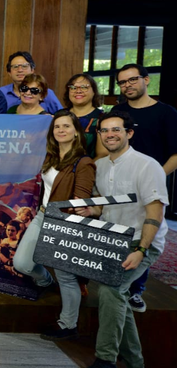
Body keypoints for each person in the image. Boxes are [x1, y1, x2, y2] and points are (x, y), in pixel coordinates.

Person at [75, 111, 169, 368]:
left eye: (116, 129)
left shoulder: (147, 165)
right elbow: (103, 206)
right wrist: (90, 210)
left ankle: (105, 359)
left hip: (141, 241)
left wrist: (141, 250)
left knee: (111, 290)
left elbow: (155, 213)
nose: (110, 135)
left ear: (129, 133)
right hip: (113, 241)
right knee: (116, 296)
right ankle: (135, 361)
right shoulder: (101, 165)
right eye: (104, 130)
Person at [13, 109, 96, 341]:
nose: (61, 130)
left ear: (76, 132)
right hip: (42, 216)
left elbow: (81, 201)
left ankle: (68, 325)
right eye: (57, 126)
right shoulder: (50, 156)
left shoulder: (84, 162)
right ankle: (45, 282)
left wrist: (66, 227)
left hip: (64, 222)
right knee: (22, 263)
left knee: (66, 277)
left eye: (66, 126)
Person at [112, 63, 177, 314]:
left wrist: (154, 177)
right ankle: (118, 280)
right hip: (119, 183)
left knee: (146, 234)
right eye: (122, 82)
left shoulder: (166, 113)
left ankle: (136, 290)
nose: (127, 85)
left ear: (146, 80)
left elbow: (175, 154)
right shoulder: (117, 112)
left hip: (151, 186)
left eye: (132, 80)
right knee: (121, 233)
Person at [63, 73, 106, 158]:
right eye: (73, 87)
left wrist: (86, 166)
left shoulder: (102, 118)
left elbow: (103, 154)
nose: (78, 91)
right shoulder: (58, 116)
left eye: (84, 87)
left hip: (91, 165)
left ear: (94, 92)